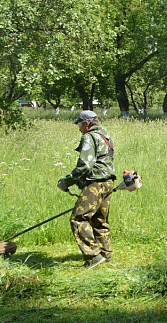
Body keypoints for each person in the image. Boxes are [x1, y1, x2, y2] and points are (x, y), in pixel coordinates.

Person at [57, 110, 117, 269]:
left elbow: (85, 165)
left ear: (87, 123)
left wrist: (67, 181)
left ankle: (93, 256)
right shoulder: (106, 136)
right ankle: (105, 255)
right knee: (99, 220)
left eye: (79, 124)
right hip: (108, 182)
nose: (79, 129)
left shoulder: (89, 137)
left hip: (95, 184)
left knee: (78, 218)